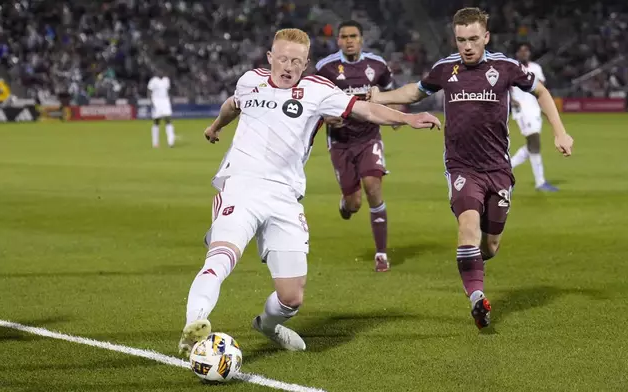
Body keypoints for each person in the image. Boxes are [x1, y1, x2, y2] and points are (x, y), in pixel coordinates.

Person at [178, 28, 441, 356]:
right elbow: (233, 104)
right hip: (241, 185)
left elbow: (366, 110)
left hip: (286, 197)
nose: (288, 66)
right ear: (270, 58)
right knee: (222, 255)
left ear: (306, 65)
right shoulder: (250, 80)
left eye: (297, 62)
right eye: (283, 59)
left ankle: (269, 325)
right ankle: (195, 327)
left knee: (292, 297)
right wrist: (215, 126)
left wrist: (408, 117)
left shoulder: (319, 90)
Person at [368, 8, 573, 329]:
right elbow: (415, 91)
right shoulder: (446, 69)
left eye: (473, 39)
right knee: (467, 228)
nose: (467, 46)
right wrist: (380, 97)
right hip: (462, 167)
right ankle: (477, 299)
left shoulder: (505, 67)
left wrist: (559, 131)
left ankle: (473, 261)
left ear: (486, 37)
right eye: (461, 40)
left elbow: (542, 92)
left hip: (498, 168)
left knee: (489, 246)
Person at [315, 20, 396, 272]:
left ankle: (381, 254)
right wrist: (326, 116)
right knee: (354, 203)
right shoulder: (325, 68)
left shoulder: (377, 65)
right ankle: (346, 204)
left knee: (373, 186)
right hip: (340, 141)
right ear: (338, 40)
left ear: (361, 39)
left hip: (369, 136)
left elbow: (389, 92)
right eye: (344, 36)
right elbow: (314, 102)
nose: (349, 40)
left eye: (353, 36)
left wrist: (393, 113)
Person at [510, 42, 558, 191]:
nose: (524, 53)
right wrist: (511, 101)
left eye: (526, 51)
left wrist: (544, 105)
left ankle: (504, 168)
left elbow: (542, 88)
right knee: (534, 142)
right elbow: (504, 88)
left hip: (534, 109)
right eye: (521, 51)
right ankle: (540, 182)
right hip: (522, 110)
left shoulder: (536, 68)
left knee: (532, 145)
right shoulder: (511, 68)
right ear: (517, 53)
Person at [147, 72, 175, 148]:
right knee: (156, 121)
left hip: (165, 101)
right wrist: (151, 101)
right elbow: (149, 91)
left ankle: (170, 142)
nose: (161, 72)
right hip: (156, 101)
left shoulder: (166, 80)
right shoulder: (153, 80)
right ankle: (155, 143)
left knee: (168, 119)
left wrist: (170, 99)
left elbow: (168, 91)